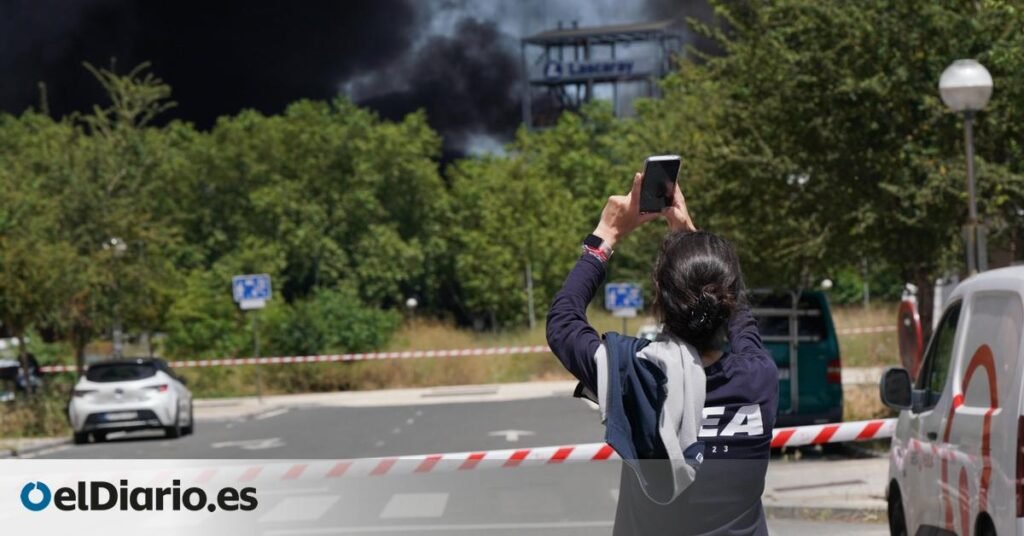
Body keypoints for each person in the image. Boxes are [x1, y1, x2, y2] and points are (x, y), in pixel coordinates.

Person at [546, 172, 778, 535]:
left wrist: (605, 236)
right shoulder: (758, 376)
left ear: (660, 302)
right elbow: (741, 318)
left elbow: (563, 322)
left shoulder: (633, 375)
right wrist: (691, 240)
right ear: (728, 300)